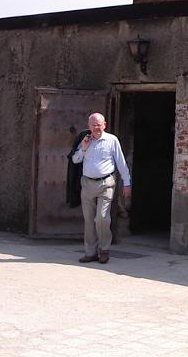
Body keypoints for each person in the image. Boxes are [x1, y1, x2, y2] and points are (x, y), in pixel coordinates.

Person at [71, 113, 131, 264]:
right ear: (89, 126)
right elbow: (75, 159)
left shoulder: (112, 140)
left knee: (102, 218)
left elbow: (121, 162)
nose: (96, 128)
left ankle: (104, 250)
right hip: (87, 184)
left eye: (99, 125)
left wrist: (127, 182)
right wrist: (84, 148)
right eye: (93, 125)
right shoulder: (85, 140)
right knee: (89, 220)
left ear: (104, 125)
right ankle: (90, 252)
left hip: (106, 184)